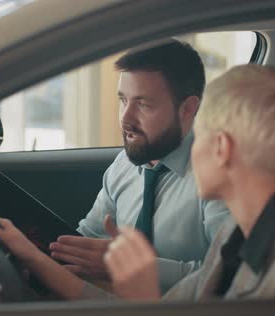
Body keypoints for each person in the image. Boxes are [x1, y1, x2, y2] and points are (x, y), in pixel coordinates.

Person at [0, 64, 275, 301]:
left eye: (200, 134)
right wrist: (32, 257)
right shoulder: (242, 235)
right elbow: (165, 314)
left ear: (220, 148)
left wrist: (141, 284)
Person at [49, 40, 229, 291]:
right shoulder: (123, 166)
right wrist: (31, 254)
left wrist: (135, 268)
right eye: (123, 100)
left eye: (144, 105)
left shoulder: (221, 175)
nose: (125, 118)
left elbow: (230, 274)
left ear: (188, 108)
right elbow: (87, 239)